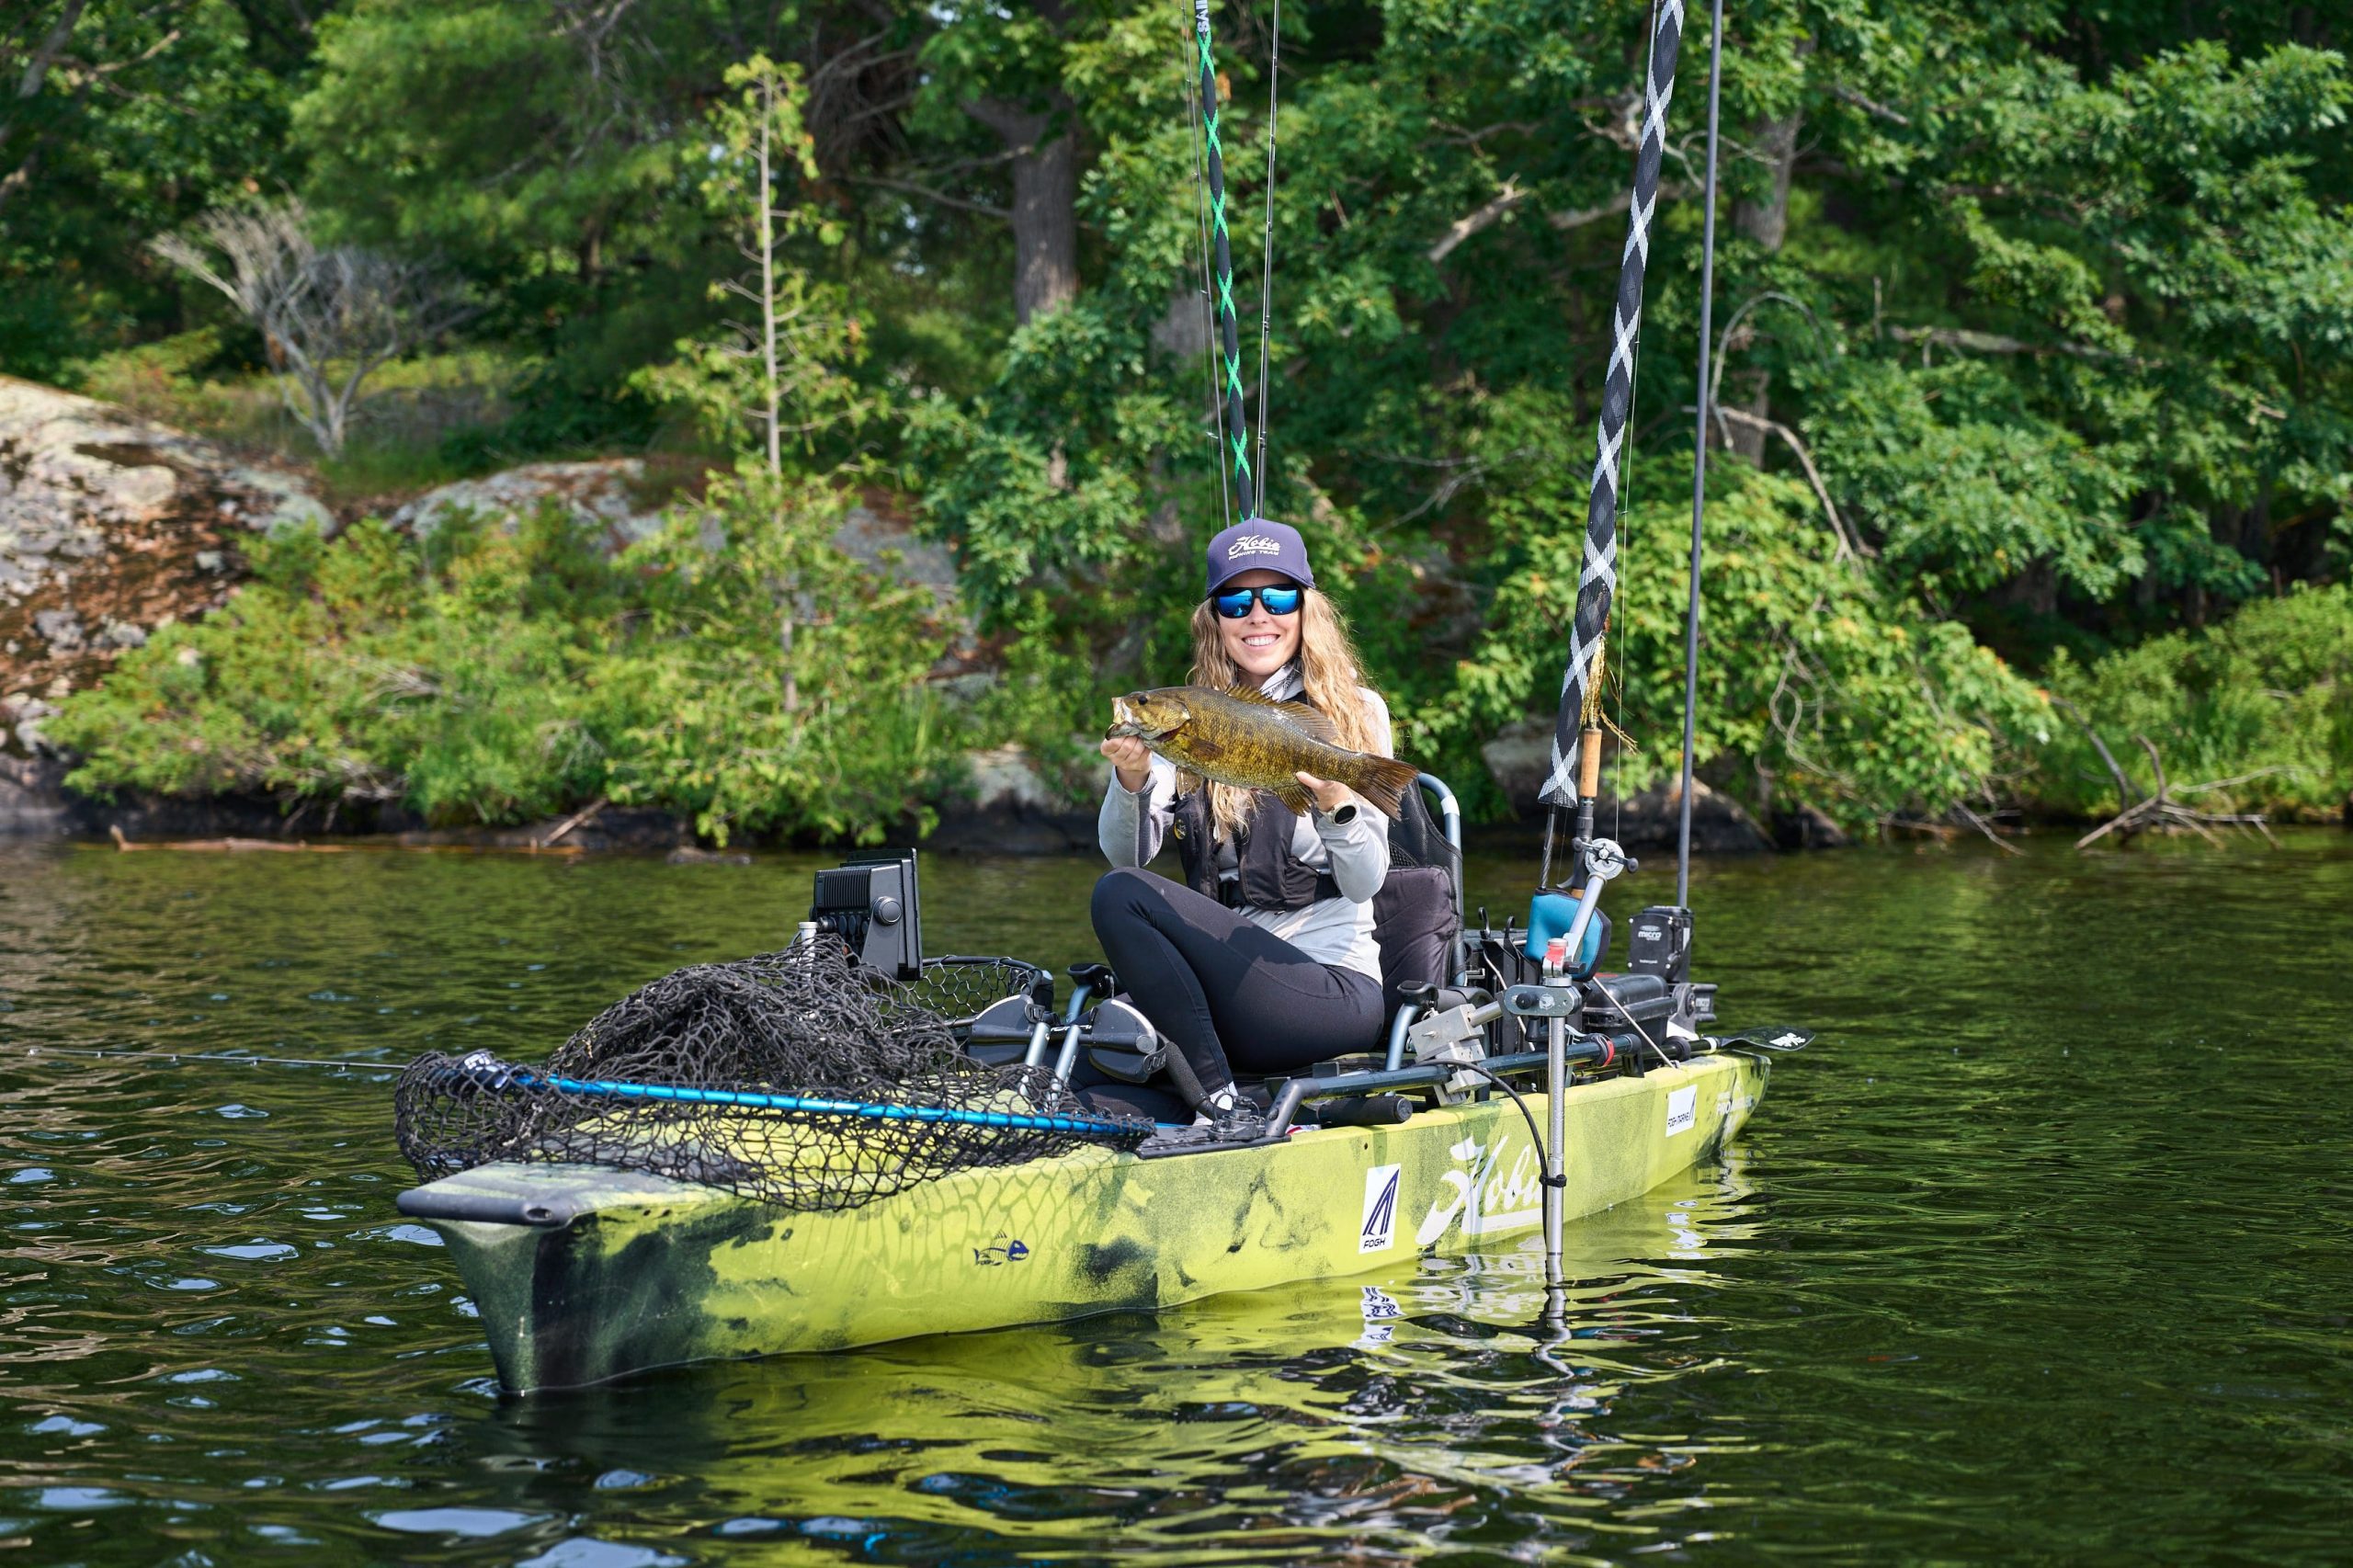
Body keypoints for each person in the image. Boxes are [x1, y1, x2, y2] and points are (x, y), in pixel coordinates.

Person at [1090, 517, 1393, 1129]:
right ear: (1215, 619)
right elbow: (1127, 855)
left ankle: (1218, 1101)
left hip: (1327, 989)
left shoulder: (1354, 712)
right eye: (1236, 600)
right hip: (1228, 995)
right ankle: (1188, 1110)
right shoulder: (1190, 720)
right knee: (1087, 1079)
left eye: (1278, 597)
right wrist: (1130, 782)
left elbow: (1365, 882)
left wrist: (1338, 806)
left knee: (1119, 896)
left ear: (1307, 610)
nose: (1258, 616)